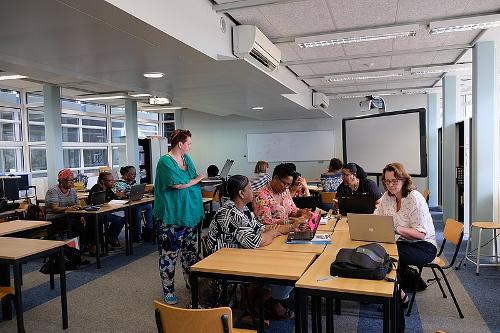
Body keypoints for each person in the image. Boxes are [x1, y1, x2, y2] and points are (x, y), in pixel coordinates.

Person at [209, 175, 302, 319]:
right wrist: (276, 232)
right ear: (241, 193)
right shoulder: (231, 212)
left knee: (282, 260)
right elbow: (254, 241)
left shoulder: (242, 208)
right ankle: (267, 299)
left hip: (240, 254)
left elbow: (260, 227)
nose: (254, 190)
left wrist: (290, 228)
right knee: (282, 264)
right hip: (226, 262)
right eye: (250, 188)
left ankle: (264, 298)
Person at [153, 129, 205, 305]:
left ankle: (190, 281)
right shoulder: (165, 162)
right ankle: (168, 290)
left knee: (190, 252)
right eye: (188, 143)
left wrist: (194, 180)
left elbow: (190, 178)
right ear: (180, 144)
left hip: (189, 214)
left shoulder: (186, 158)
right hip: (172, 217)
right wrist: (197, 180)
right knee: (169, 255)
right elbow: (178, 184)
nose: (190, 147)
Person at [374, 162, 437, 302]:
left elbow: (421, 234)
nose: (390, 185)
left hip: (423, 246)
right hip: (402, 242)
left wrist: (396, 229)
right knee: (377, 250)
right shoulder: (387, 196)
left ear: (403, 179)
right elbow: (377, 215)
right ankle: (385, 290)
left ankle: (398, 295)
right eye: (387, 181)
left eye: (394, 181)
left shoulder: (414, 198)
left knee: (387, 256)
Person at [45, 168, 88, 264]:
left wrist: (81, 215)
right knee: (76, 226)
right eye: (68, 181)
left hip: (69, 217)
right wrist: (68, 209)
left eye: (72, 180)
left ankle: (82, 250)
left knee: (87, 222)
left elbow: (78, 205)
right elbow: (54, 209)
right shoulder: (53, 190)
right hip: (55, 219)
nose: (71, 183)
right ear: (61, 181)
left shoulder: (72, 191)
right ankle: (76, 254)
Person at [115, 166, 154, 242]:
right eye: (132, 174)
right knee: (137, 209)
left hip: (135, 203)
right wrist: (127, 195)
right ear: (126, 174)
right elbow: (121, 195)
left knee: (149, 207)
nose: (134, 176)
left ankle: (149, 230)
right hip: (126, 205)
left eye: (135, 174)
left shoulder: (133, 182)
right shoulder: (120, 183)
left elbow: (136, 192)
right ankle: (137, 234)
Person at [88, 171, 126, 249]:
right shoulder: (96, 189)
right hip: (98, 213)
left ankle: (111, 237)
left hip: (107, 211)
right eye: (110, 181)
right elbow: (96, 203)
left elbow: (113, 199)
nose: (112, 182)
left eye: (113, 180)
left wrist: (119, 196)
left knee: (124, 216)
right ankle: (110, 238)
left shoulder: (108, 188)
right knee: (118, 219)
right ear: (102, 181)